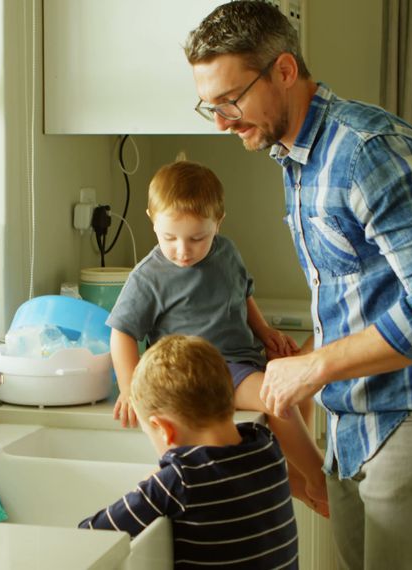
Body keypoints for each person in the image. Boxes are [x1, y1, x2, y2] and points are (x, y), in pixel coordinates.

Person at [184, 2, 412, 569]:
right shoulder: (299, 159)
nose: (221, 121)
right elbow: (366, 294)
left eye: (231, 99)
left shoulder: (366, 151)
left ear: (284, 70)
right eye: (210, 105)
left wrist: (315, 367)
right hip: (356, 422)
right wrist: (311, 356)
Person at [107, 159, 328, 516]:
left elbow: (242, 295)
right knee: (279, 396)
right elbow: (121, 332)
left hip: (243, 358)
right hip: (201, 373)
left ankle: (290, 471)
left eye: (198, 238)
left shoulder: (226, 252)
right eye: (169, 238)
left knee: (296, 379)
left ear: (218, 222)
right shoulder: (148, 276)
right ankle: (317, 477)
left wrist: (265, 332)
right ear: (152, 219)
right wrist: (130, 388)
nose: (183, 250)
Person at [79, 334, 299, 569]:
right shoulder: (266, 444)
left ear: (164, 429)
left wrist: (150, 483)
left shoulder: (180, 480)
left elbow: (91, 534)